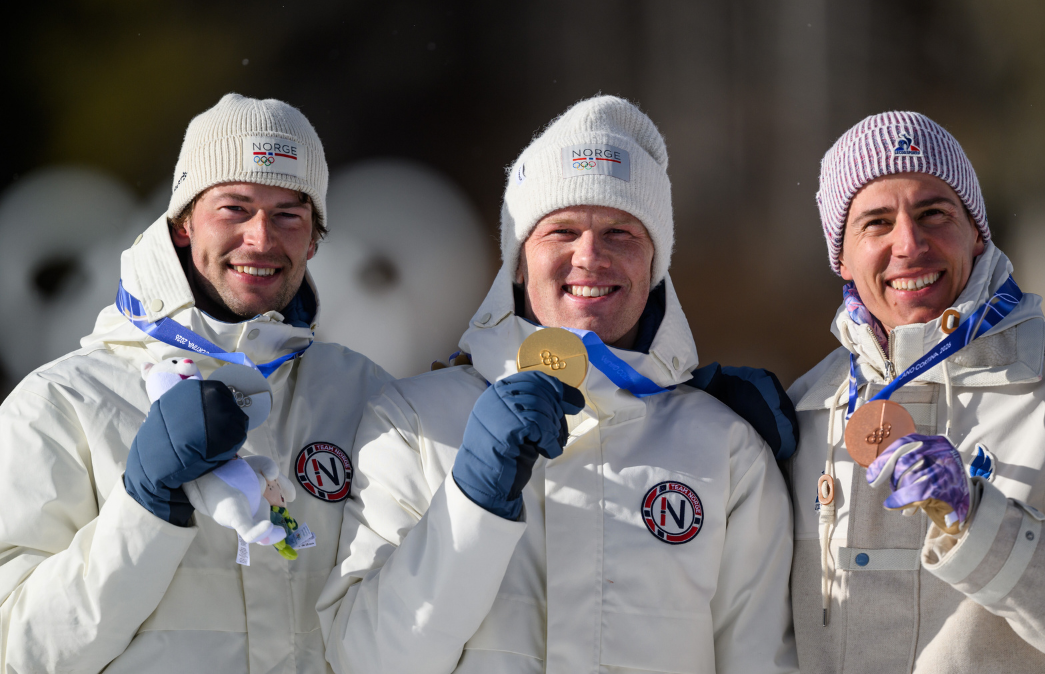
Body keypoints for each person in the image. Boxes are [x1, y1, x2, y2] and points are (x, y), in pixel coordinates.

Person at [318, 95, 798, 674]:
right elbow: (367, 661)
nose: (590, 256)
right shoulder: (412, 425)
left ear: (655, 263)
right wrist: (471, 502)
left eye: (621, 232)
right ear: (518, 261)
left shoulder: (726, 449)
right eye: (562, 230)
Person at [0, 93, 394, 673]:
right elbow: (19, 650)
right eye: (235, 208)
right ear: (182, 224)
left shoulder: (365, 396)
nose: (261, 239)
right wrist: (144, 511)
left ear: (314, 239)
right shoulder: (62, 404)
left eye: (289, 214)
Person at [786, 111, 1045, 673]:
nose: (909, 243)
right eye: (876, 223)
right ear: (843, 259)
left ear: (976, 231)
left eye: (933, 213)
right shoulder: (806, 411)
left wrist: (984, 525)